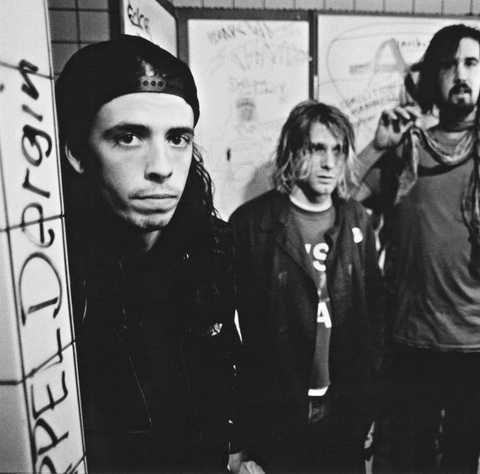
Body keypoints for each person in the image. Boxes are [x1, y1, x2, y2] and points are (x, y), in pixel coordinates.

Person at [354, 24, 480, 473]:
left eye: (471, 63)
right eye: (448, 64)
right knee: (408, 459)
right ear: (433, 77)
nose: (460, 74)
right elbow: (340, 204)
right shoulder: (403, 149)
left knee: (460, 461)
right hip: (413, 338)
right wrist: (375, 145)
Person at [56, 35, 239, 472]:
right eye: (129, 137)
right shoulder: (58, 277)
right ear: (78, 153)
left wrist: (236, 448)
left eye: (178, 138)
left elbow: (227, 363)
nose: (161, 166)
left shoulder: (213, 247)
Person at [229, 101, 384, 473]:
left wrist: (369, 405)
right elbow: (228, 338)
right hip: (276, 411)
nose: (329, 163)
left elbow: (373, 321)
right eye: (317, 149)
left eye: (338, 150)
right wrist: (238, 440)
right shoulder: (253, 224)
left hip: (342, 410)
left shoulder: (356, 220)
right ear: (293, 152)